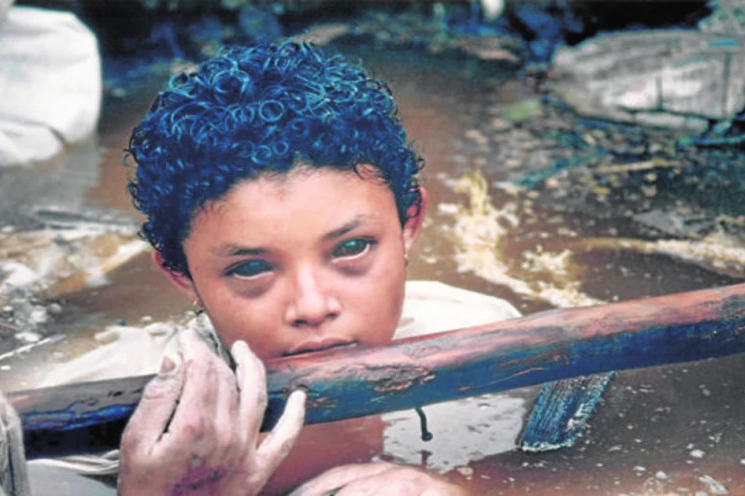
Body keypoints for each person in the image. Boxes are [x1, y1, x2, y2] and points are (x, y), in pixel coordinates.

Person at [112, 41, 520, 495]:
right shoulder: (105, 442)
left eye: (352, 247)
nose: (312, 306)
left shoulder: (498, 353)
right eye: (250, 269)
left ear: (409, 224)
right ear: (181, 274)